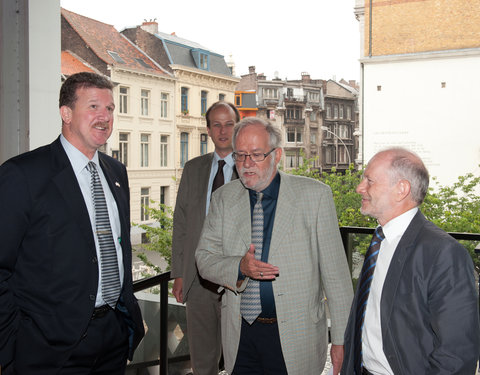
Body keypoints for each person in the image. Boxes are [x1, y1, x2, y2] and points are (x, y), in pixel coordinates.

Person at [0, 72, 144, 374]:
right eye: (93, 107)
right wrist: (12, 346)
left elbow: (117, 251)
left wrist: (126, 319)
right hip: (48, 350)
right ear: (66, 113)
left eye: (110, 109)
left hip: (112, 339)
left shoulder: (116, 173)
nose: (104, 117)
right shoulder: (23, 175)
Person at [195, 117, 353, 375]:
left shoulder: (315, 196)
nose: (246, 164)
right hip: (241, 336)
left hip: (295, 337)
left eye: (256, 155)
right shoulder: (223, 198)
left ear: (277, 154)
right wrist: (239, 267)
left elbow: (337, 278)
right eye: (240, 155)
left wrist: (341, 340)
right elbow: (204, 259)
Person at [341, 148, 480, 375]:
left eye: (369, 180)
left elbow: (456, 354)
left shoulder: (444, 254)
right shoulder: (379, 240)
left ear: (401, 189)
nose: (360, 188)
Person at [171, 101, 240, 375]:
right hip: (198, 279)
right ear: (208, 130)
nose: (223, 130)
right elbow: (181, 224)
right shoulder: (193, 169)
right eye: (216, 124)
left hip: (237, 278)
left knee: (237, 357)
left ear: (238, 126)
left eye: (229, 124)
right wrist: (179, 272)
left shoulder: (249, 169)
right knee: (202, 359)